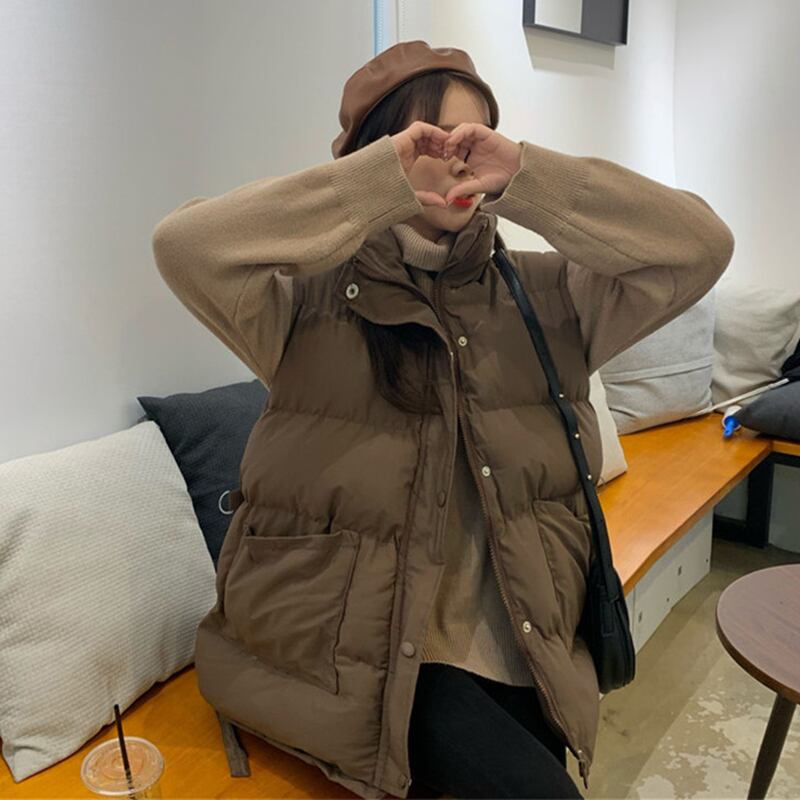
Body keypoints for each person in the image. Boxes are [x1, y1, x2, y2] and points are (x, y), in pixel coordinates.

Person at [151, 40, 734, 800]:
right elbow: (183, 245)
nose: (459, 161)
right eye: (429, 142)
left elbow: (701, 246)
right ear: (377, 155)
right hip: (362, 650)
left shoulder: (550, 298)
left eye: (475, 141)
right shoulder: (303, 303)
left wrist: (528, 176)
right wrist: (372, 186)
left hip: (525, 633)